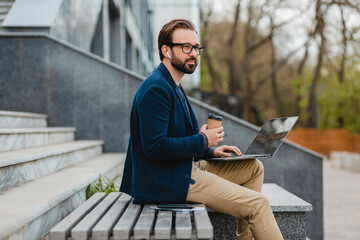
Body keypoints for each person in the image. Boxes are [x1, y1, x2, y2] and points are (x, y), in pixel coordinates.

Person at [120, 19, 284, 240]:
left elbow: (174, 139)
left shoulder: (173, 84)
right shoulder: (156, 89)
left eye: (197, 48)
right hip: (167, 180)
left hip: (181, 168)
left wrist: (209, 150)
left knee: (254, 167)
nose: (194, 53)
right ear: (166, 50)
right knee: (259, 203)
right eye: (186, 47)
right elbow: (154, 147)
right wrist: (202, 140)